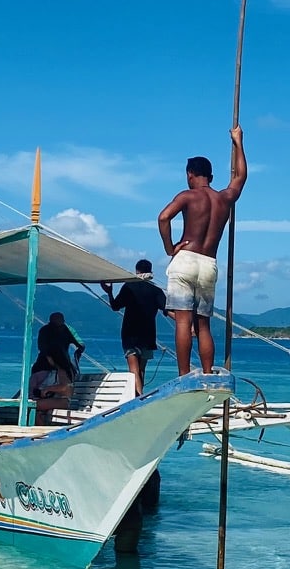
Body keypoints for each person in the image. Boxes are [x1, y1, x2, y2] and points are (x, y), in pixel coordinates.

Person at [156, 125, 246, 374]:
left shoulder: (187, 196)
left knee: (183, 322)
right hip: (209, 263)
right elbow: (240, 177)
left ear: (190, 174)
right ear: (212, 177)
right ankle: (207, 372)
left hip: (185, 258)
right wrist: (238, 142)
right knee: (203, 324)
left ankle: (184, 375)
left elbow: (163, 218)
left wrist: (169, 248)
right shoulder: (224, 198)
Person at [101, 259, 168, 396]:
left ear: (137, 271)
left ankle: (138, 397)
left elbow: (115, 306)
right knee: (141, 370)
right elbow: (168, 309)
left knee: (134, 370)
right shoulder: (155, 290)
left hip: (130, 333)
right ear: (151, 271)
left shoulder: (129, 287)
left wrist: (109, 292)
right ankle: (140, 396)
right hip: (148, 335)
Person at [35, 312, 83, 380]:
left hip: (61, 362)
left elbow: (80, 344)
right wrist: (49, 358)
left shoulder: (67, 330)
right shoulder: (45, 330)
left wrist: (77, 354)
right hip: (46, 362)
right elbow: (42, 347)